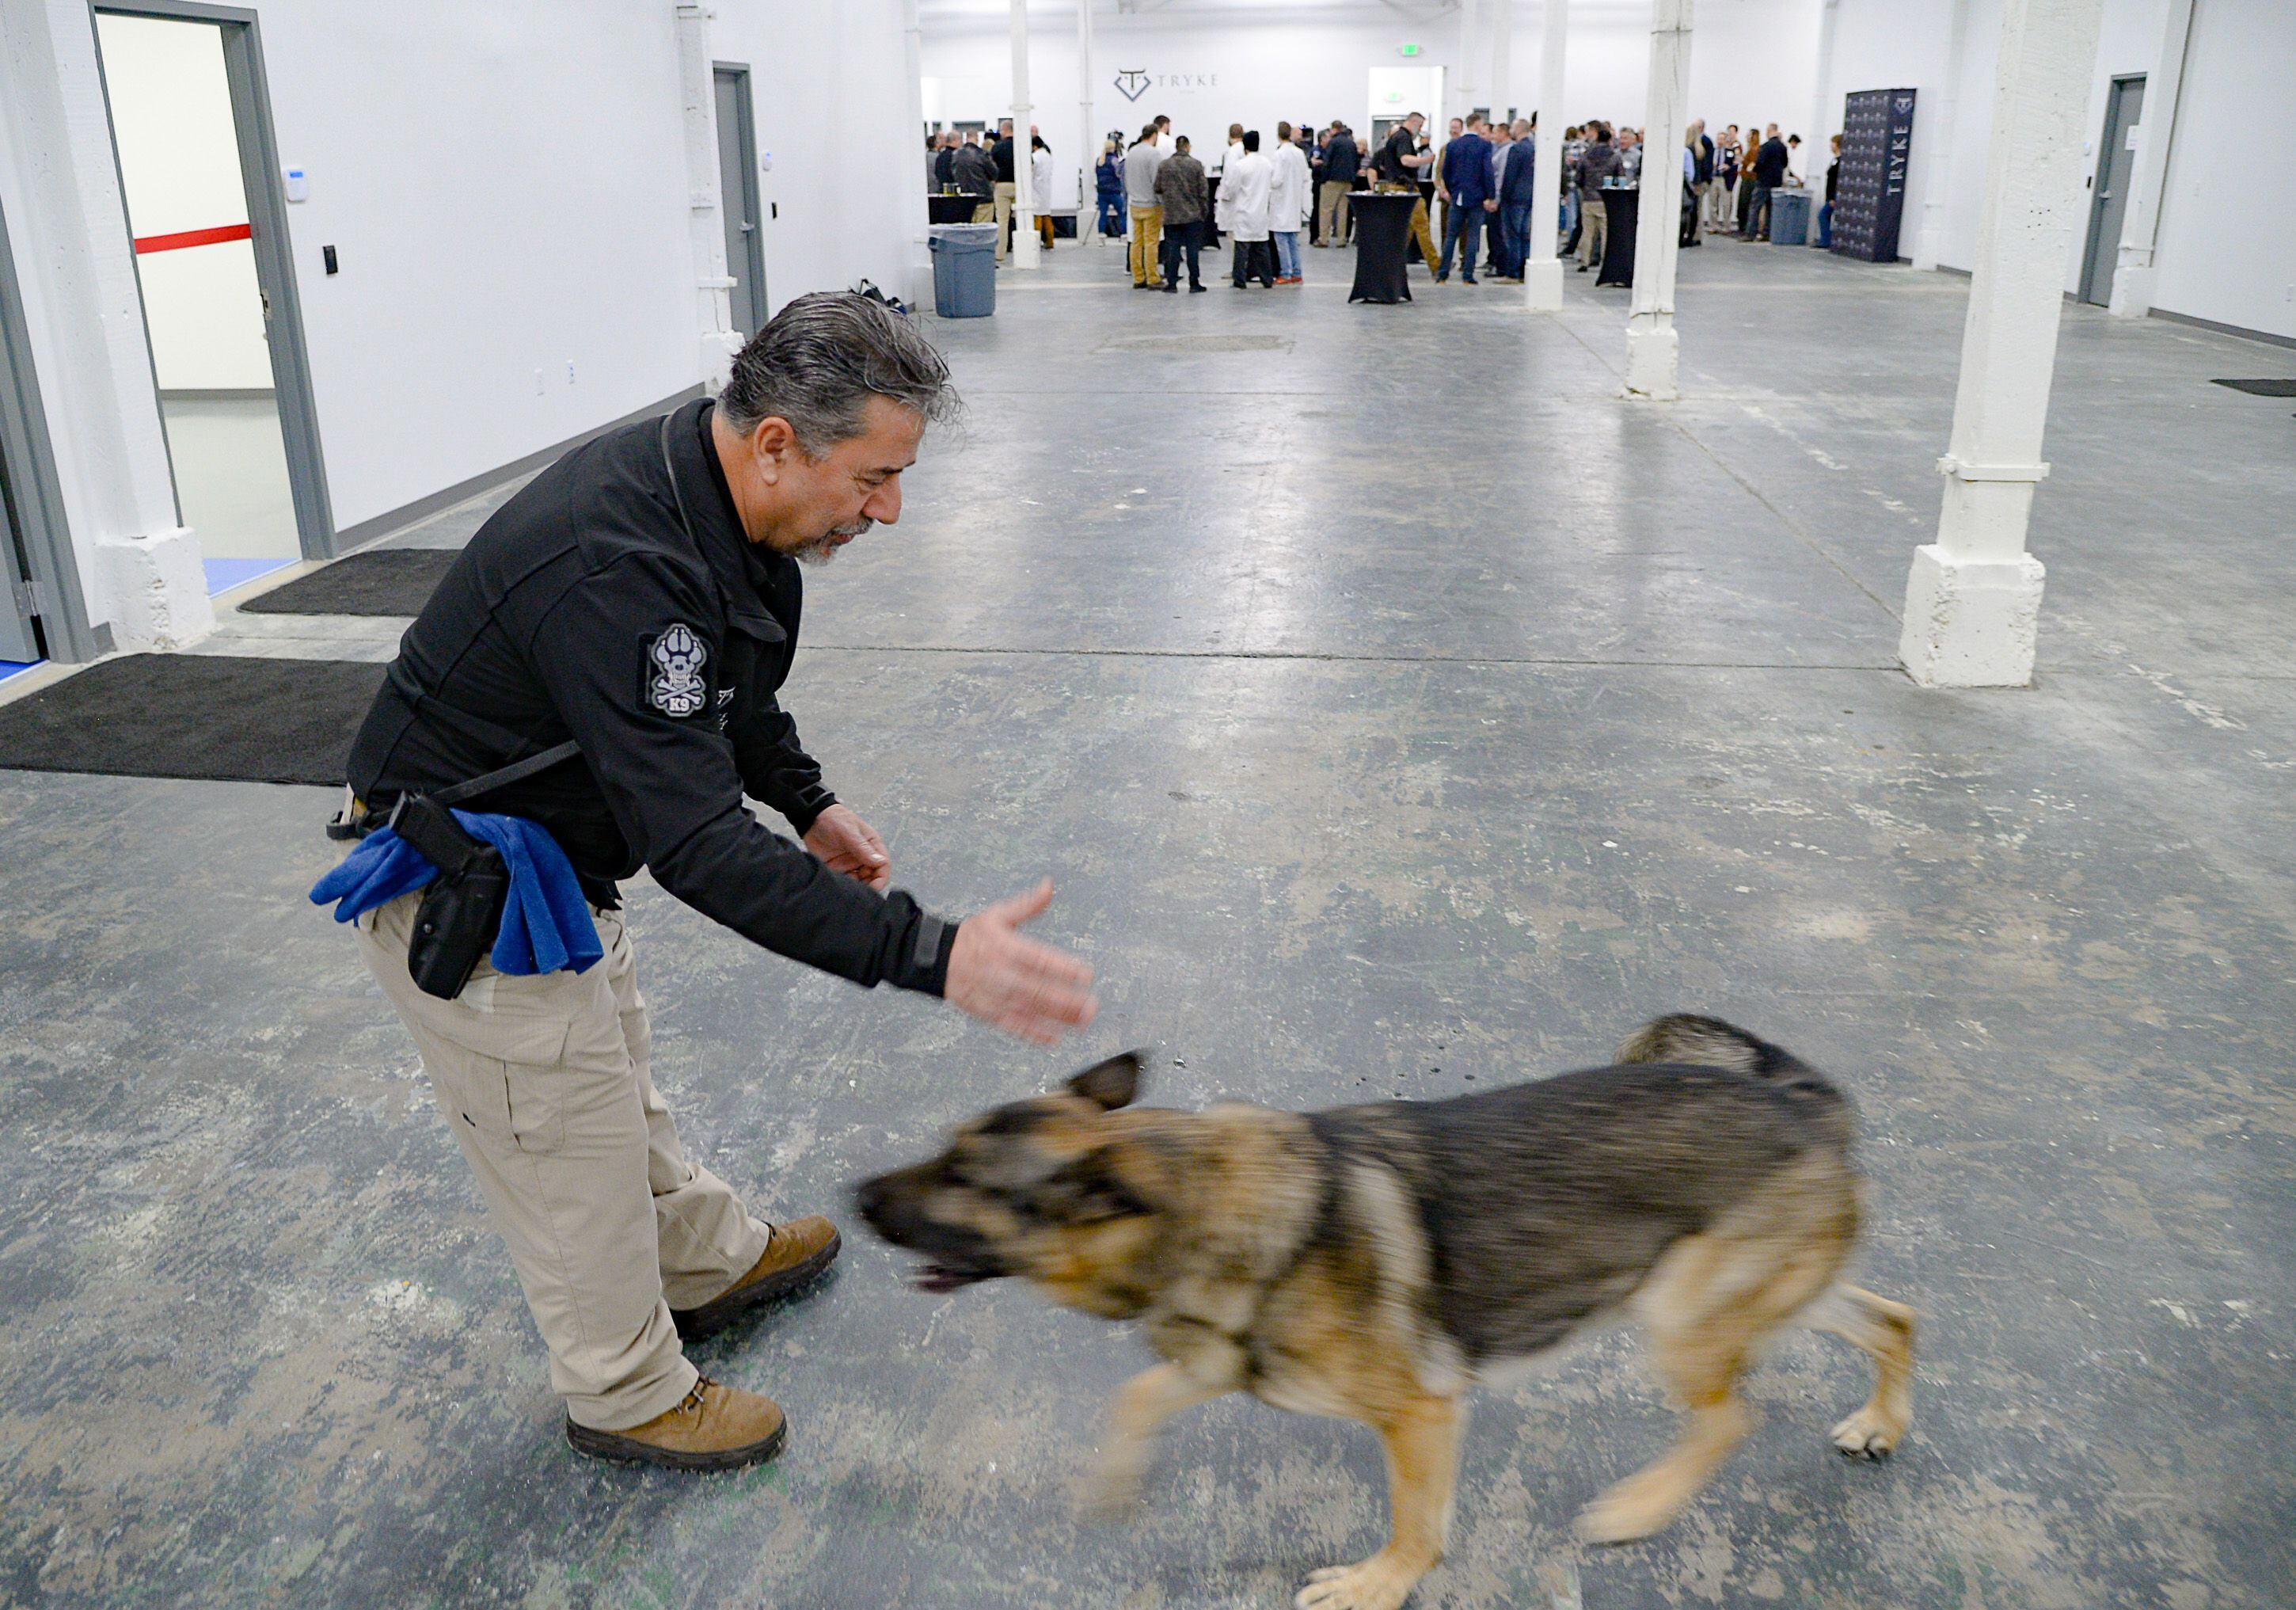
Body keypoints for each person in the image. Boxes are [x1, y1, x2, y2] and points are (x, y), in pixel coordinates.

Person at [328, 293, 1098, 1471]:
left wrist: (807, 800)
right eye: (875, 477)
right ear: (780, 441)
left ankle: (703, 1260)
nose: (888, 509)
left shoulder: (729, 510)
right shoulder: (615, 564)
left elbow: (730, 692)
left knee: (611, 1079)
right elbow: (698, 847)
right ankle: (624, 1389)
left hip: (560, 854)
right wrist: (932, 953)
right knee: (565, 1146)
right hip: (467, 887)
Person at [1374, 111, 1440, 272]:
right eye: (1421, 125)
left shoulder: (1395, 138)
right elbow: (1405, 159)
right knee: (1422, 225)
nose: (1421, 130)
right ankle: (1436, 265)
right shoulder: (1404, 138)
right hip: (1404, 188)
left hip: (1397, 187)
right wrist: (1426, 160)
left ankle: (1394, 263)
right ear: (1415, 123)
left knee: (1406, 229)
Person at [1435, 113, 1494, 285]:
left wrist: (1453, 189)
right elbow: (1487, 172)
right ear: (1477, 124)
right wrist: (1490, 195)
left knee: (1451, 235)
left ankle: (1443, 273)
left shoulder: (1453, 145)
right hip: (1476, 197)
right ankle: (1468, 275)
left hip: (1457, 195)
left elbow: (1445, 170)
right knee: (1472, 235)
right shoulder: (1484, 146)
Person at [1219, 130, 1275, 288]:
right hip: (1261, 212)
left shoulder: (1240, 165)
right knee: (1262, 248)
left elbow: (1232, 188)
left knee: (1241, 249)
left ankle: (1239, 280)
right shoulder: (1267, 164)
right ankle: (1267, 279)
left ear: (1245, 146)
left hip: (1244, 212)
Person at [1153, 134, 1209, 291]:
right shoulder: (1196, 165)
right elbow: (1203, 191)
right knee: (1192, 249)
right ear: (1188, 147)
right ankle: (1194, 283)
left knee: (1172, 249)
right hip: (1192, 215)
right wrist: (1203, 212)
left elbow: (1157, 187)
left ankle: (1172, 283)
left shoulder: (1164, 165)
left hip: (1171, 215)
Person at [1122, 124, 1165, 288]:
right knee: (1151, 243)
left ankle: (1138, 277)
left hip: (1135, 204)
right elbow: (1157, 181)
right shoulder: (1154, 154)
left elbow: (1126, 178)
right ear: (1154, 135)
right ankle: (1153, 277)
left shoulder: (1131, 152)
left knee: (1136, 242)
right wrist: (1162, 202)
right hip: (1151, 205)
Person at [1494, 116, 1537, 280]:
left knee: (1512, 236)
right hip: (1528, 198)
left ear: (1519, 129)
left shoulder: (1516, 150)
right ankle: (1524, 272)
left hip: (1513, 199)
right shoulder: (1533, 149)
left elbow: (1509, 177)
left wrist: (1501, 198)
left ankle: (1512, 272)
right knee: (1525, 236)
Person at [1269, 122, 1312, 284]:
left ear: (1278, 135)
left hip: (1281, 201)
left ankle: (1285, 272)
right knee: (1292, 239)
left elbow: (1277, 180)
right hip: (1295, 201)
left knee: (1281, 239)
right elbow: (1305, 176)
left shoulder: (1279, 154)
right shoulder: (1299, 153)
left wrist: (1268, 181)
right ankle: (1296, 271)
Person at [1575, 123, 1620, 272]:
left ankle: (1584, 261)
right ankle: (1605, 261)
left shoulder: (1586, 155)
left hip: (1588, 198)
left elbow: (1578, 178)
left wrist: (1585, 189)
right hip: (1606, 199)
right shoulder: (1614, 156)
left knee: (1588, 232)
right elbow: (1620, 177)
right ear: (1609, 140)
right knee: (1606, 232)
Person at [1316, 121, 1359, 246]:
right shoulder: (1351, 143)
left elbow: (1327, 161)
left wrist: (1323, 179)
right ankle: (1341, 240)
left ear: (1334, 129)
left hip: (1332, 180)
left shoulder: (1333, 142)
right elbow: (1356, 162)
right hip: (1348, 181)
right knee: (1342, 211)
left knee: (1326, 210)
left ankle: (1323, 239)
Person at [1744, 123, 1788, 239]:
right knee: (1770, 209)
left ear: (1769, 131)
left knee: (1755, 208)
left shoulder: (1766, 146)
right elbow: (1785, 163)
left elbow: (1760, 163)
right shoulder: (1783, 147)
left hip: (1763, 182)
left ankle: (1750, 233)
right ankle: (1767, 234)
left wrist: (1754, 169)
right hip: (1776, 182)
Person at [1207, 123, 1243, 249]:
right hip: (1243, 200)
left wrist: (1224, 195)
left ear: (1230, 135)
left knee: (1233, 237)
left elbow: (1230, 177)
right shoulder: (1244, 150)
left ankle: (1238, 267)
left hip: (1232, 201)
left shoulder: (1232, 153)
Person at [989, 119, 1019, 263]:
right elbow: (1030, 166)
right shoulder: (1021, 145)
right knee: (1022, 220)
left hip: (1001, 186)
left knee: (1002, 221)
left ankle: (1000, 254)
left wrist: (994, 180)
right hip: (1019, 186)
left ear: (1005, 130)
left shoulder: (997, 147)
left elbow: (991, 167)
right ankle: (1022, 251)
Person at [953, 131, 997, 219]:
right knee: (983, 229)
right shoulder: (982, 154)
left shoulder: (956, 155)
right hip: (984, 197)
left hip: (965, 198)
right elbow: (994, 173)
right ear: (977, 138)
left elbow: (953, 174)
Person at [1094, 136, 1127, 238]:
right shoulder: (1114, 160)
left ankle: (1102, 235)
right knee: (1121, 214)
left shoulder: (1099, 161)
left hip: (1102, 193)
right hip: (1114, 192)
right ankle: (1123, 234)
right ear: (1113, 148)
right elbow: (1119, 174)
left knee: (1103, 215)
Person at [1709, 124, 1739, 232]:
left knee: (1726, 204)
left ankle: (1727, 226)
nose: (1720, 141)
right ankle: (1713, 226)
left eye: (1722, 139)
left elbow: (1736, 165)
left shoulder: (1730, 152)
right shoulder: (1712, 151)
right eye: (1718, 139)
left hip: (1724, 179)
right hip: (1714, 178)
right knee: (1713, 204)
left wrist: (1728, 167)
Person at [1031, 135, 1056, 248]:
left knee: (1037, 216)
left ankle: (1036, 242)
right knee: (1046, 216)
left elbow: (1032, 172)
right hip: (1047, 188)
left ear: (1034, 146)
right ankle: (1050, 242)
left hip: (1036, 188)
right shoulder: (1048, 156)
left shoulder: (1035, 156)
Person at [1819, 131, 1842, 248]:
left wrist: (1832, 197)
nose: (1830, 146)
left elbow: (1835, 181)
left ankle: (1826, 240)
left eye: (1832, 143)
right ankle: (1826, 239)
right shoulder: (1835, 160)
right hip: (1830, 195)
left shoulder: (1839, 161)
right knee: (1825, 216)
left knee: (1823, 215)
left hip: (1833, 195)